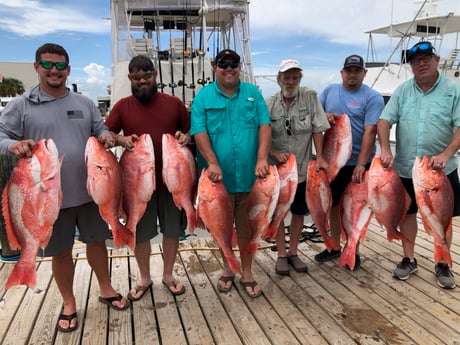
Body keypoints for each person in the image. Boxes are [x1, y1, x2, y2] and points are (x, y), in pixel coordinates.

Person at [0, 43, 129, 333]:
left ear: (68, 70)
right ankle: (69, 302)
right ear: (37, 67)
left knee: (97, 243)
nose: (54, 71)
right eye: (47, 65)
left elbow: (100, 129)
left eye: (60, 66)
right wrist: (12, 144)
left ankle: (106, 288)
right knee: (61, 251)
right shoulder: (20, 105)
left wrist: (108, 137)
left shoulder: (83, 103)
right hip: (44, 199)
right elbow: (1, 135)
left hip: (90, 193)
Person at [106, 55, 190, 299]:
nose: (142, 81)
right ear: (130, 78)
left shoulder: (174, 103)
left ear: (154, 75)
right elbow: (108, 133)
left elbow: (189, 130)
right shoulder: (122, 106)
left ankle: (168, 274)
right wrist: (121, 139)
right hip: (136, 185)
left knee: (172, 230)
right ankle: (144, 277)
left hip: (172, 183)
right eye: (136, 77)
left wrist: (186, 137)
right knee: (139, 231)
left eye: (146, 75)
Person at [377, 41, 460, 289]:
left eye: (425, 59)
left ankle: (443, 262)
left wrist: (446, 153)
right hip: (407, 168)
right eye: (415, 61)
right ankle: (408, 258)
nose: (421, 64)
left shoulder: (453, 90)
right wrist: (384, 148)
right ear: (411, 66)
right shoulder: (402, 91)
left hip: (442, 172)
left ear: (436, 60)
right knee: (407, 214)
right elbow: (383, 120)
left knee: (443, 219)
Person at [191, 49, 271, 298]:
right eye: (223, 64)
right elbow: (199, 131)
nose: (229, 69)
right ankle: (227, 266)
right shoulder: (203, 97)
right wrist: (212, 163)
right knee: (222, 226)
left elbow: (264, 126)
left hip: (250, 177)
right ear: (215, 68)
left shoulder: (253, 93)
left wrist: (261, 158)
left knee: (247, 226)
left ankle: (246, 271)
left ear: (239, 67)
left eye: (233, 64)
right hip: (217, 182)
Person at [316, 54, 384, 270]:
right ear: (342, 73)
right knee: (334, 205)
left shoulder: (373, 97)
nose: (352, 74)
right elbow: (315, 120)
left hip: (359, 163)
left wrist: (361, 164)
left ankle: (353, 247)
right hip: (332, 161)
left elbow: (370, 132)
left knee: (356, 206)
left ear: (364, 73)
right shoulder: (328, 92)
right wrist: (324, 115)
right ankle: (334, 246)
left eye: (357, 71)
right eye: (349, 70)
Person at [266, 59, 330, 275]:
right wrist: (273, 153)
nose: (290, 81)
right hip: (277, 172)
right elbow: (262, 135)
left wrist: (320, 156)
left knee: (299, 212)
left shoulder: (310, 96)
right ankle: (281, 255)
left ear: (300, 79)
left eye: (295, 77)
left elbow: (318, 128)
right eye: (286, 77)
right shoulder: (270, 103)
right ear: (279, 80)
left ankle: (294, 252)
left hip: (301, 171)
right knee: (278, 213)